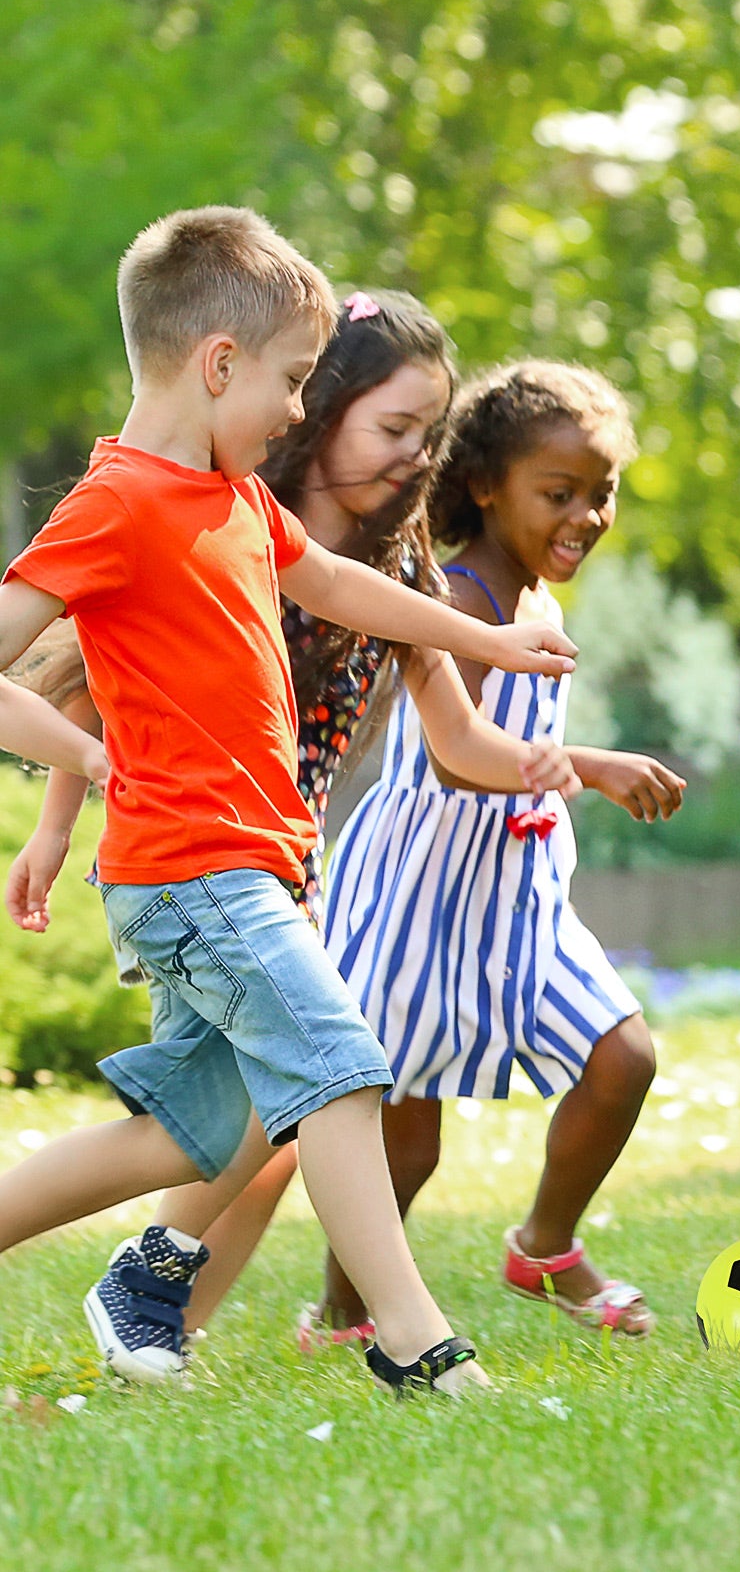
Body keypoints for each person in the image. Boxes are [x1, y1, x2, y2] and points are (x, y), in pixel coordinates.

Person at [0, 206, 579, 1397]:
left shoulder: (237, 501)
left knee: (190, 1137)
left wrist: (488, 640)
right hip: (193, 873)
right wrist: (79, 760)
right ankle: (420, 1346)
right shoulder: (117, 505)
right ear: (218, 363)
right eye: (291, 377)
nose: (298, 408)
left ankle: (143, 1280)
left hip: (246, 868)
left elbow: (342, 588)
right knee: (340, 1066)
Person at [307, 360, 683, 1339]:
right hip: (418, 896)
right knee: (406, 1141)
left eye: (600, 493)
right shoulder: (460, 599)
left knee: (622, 1056)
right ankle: (344, 1310)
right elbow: (456, 753)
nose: (585, 515)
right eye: (557, 493)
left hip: (516, 900)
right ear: (485, 484)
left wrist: (571, 774)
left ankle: (545, 1246)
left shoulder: (537, 604)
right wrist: (589, 763)